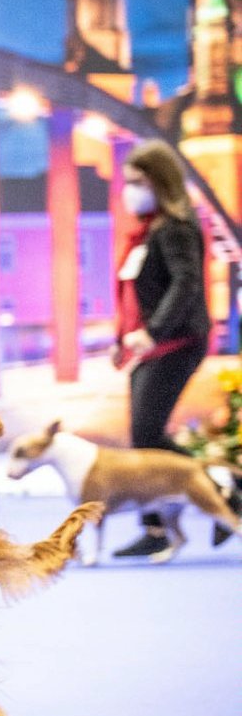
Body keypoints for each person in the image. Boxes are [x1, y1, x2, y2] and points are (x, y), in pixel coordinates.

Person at [111, 141, 216, 558]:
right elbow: (138, 293)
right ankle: (155, 528)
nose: (130, 190)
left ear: (159, 181)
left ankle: (228, 491)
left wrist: (152, 332)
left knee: (150, 435)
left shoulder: (175, 227)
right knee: (145, 440)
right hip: (151, 344)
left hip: (177, 340)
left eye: (138, 182)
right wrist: (125, 340)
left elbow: (185, 285)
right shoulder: (150, 229)